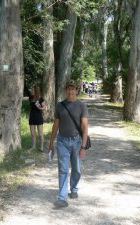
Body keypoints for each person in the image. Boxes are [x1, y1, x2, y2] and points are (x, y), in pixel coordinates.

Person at [49, 79, 89, 208]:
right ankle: (62, 198)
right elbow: (55, 126)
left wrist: (83, 147)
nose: (71, 91)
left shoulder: (82, 106)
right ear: (66, 90)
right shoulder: (60, 106)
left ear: (77, 90)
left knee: (76, 169)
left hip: (77, 141)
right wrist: (51, 142)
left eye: (73, 88)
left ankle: (74, 188)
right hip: (62, 141)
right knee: (63, 169)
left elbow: (85, 127)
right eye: (69, 88)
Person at [29, 85, 46, 151]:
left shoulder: (41, 99)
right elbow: (30, 107)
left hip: (38, 117)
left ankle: (41, 147)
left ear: (36, 91)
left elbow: (44, 108)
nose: (31, 90)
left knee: (40, 134)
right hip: (32, 116)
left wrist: (39, 107)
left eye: (33, 89)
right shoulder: (30, 98)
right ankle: (33, 146)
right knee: (33, 134)